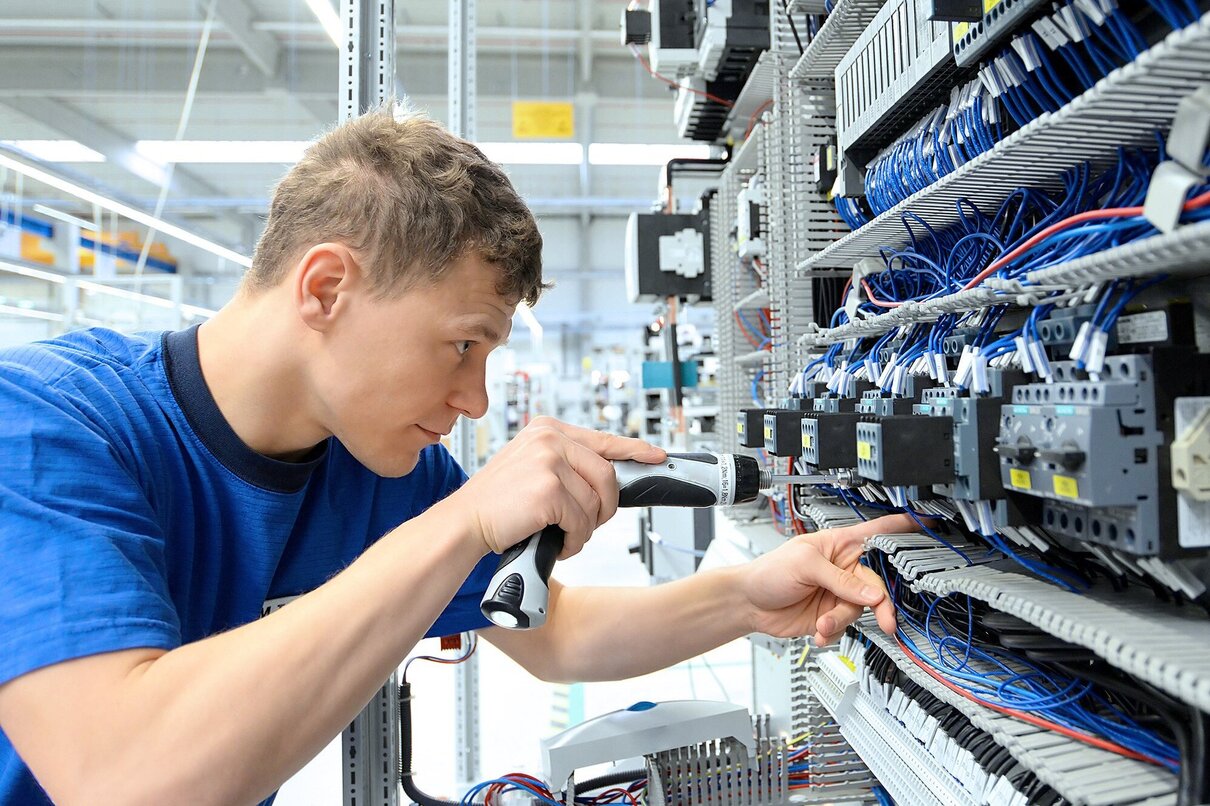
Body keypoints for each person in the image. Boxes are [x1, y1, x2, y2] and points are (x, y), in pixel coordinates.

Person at [0, 106, 910, 805]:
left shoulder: (377, 466)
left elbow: (550, 635)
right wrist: (463, 523)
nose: (474, 399)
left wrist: (746, 598)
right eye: (463, 345)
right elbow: (120, 776)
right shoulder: (49, 425)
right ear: (326, 288)